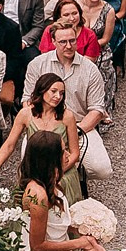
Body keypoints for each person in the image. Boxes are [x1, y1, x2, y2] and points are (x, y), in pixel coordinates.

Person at [30, 21, 110, 188]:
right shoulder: (37, 64)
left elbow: (97, 109)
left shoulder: (90, 69)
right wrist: (45, 128)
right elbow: (27, 101)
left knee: (102, 169)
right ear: (53, 42)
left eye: (72, 41)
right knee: (29, 164)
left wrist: (75, 131)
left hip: (81, 127)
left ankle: (73, 178)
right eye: (63, 42)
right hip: (44, 127)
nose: (69, 46)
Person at [0, 69, 80, 201]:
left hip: (60, 172)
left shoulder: (67, 117)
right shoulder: (25, 114)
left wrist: (57, 174)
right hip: (34, 171)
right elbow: (9, 144)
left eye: (61, 93)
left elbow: (75, 153)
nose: (58, 96)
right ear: (42, 90)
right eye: (53, 91)